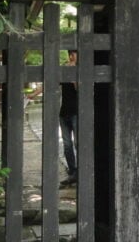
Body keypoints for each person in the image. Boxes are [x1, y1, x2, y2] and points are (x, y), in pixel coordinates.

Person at [59, 50, 79, 186]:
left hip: (77, 112)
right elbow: (51, 83)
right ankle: (73, 172)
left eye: (74, 54)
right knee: (67, 145)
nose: (71, 56)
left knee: (78, 144)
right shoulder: (64, 70)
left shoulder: (81, 70)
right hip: (64, 112)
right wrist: (32, 95)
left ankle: (80, 172)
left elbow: (79, 88)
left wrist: (73, 76)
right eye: (70, 54)